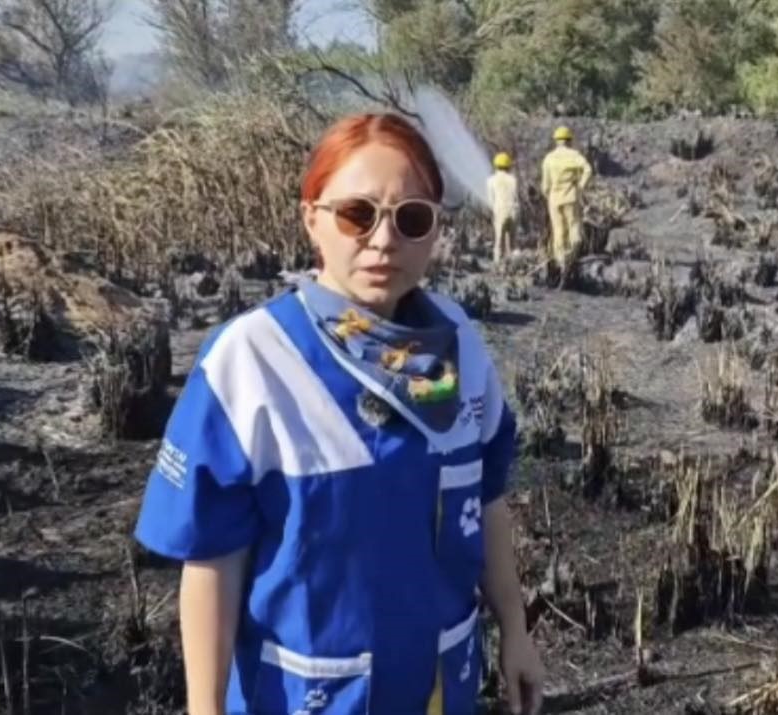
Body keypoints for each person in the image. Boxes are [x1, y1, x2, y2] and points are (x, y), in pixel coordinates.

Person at [132, 112, 545, 715]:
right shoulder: (252, 358)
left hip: (441, 691)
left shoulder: (460, 343)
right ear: (312, 219)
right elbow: (212, 560)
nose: (383, 241)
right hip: (310, 698)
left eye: (411, 219)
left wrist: (516, 629)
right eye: (357, 215)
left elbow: (485, 502)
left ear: (434, 230)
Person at [539, 126, 593, 269]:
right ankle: (573, 256)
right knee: (574, 226)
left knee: (558, 230)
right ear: (569, 140)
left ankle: (561, 261)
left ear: (556, 141)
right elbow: (588, 169)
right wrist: (581, 186)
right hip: (571, 196)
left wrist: (548, 195)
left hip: (554, 199)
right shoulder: (574, 155)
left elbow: (545, 185)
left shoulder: (549, 158)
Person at [486, 151, 519, 265]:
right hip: (513, 211)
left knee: (498, 241)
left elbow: (491, 200)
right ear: (508, 165)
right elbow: (516, 197)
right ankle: (516, 264)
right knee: (513, 242)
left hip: (500, 212)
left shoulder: (491, 180)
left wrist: (492, 213)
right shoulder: (513, 179)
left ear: (495, 165)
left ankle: (497, 265)